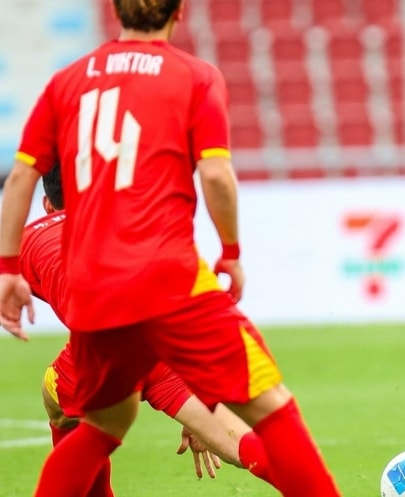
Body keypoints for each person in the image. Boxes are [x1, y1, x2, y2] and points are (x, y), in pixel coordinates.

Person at [0, 0, 341, 496]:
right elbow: (216, 176)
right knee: (272, 406)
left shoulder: (66, 83)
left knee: (101, 427)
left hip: (96, 292)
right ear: (181, 7)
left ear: (113, 2)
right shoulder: (194, 76)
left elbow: (19, 179)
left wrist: (8, 269)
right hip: (167, 278)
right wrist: (231, 252)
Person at [26, 165, 274, 494]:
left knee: (58, 399)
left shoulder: (25, 241)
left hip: (104, 353)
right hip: (161, 340)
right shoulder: (130, 223)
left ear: (47, 204)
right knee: (240, 444)